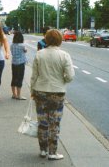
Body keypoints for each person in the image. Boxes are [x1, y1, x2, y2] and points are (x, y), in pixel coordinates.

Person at [30, 29, 75, 160]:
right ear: (60, 40)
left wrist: (32, 90)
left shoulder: (39, 54)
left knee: (42, 121)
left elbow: (34, 76)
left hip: (41, 91)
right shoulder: (64, 55)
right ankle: (52, 152)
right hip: (57, 92)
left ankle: (43, 150)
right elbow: (70, 76)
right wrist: (63, 81)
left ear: (47, 39)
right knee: (54, 123)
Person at [10, 31, 27, 100]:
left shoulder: (12, 45)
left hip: (14, 63)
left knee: (14, 78)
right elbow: (25, 50)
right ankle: (18, 95)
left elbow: (12, 52)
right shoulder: (22, 45)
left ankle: (14, 94)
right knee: (20, 78)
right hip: (20, 64)